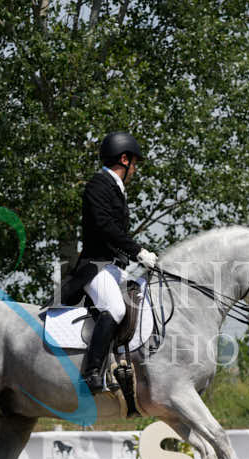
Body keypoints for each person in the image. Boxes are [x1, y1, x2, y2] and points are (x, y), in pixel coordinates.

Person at [60, 131, 159, 392]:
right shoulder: (99, 185)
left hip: (114, 267)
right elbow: (105, 227)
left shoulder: (115, 188)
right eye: (134, 163)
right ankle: (91, 373)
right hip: (95, 267)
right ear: (124, 159)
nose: (135, 169)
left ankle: (124, 365)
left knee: (140, 302)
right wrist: (138, 251)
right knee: (115, 308)